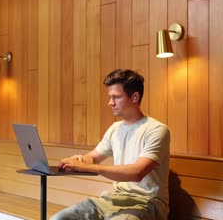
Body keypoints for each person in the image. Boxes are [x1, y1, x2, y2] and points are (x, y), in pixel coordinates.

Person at [50, 69, 170, 220]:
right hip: (114, 199)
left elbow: (137, 172)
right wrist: (77, 161)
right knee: (59, 218)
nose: (110, 102)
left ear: (134, 97)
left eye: (116, 97)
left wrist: (86, 167)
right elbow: (93, 157)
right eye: (110, 97)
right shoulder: (115, 129)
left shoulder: (156, 130)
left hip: (147, 204)